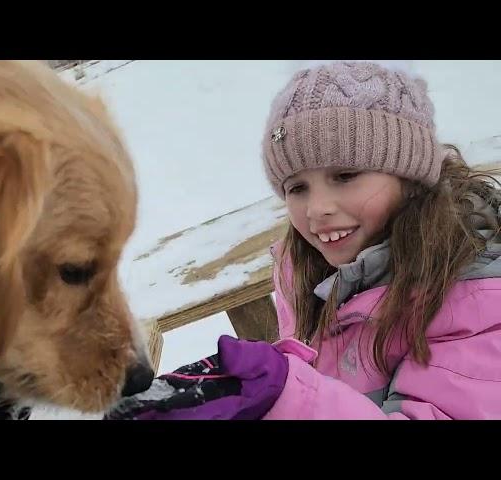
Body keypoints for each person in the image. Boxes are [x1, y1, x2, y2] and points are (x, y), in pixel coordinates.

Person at [105, 60, 501, 420]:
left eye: (345, 176)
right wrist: (254, 389)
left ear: (410, 175)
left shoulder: (477, 295)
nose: (316, 209)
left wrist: (285, 396)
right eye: (297, 188)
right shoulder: (307, 269)